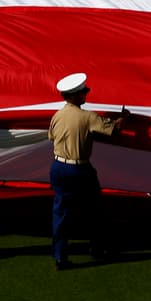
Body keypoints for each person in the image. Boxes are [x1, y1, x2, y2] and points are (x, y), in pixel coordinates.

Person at [47, 72, 128, 269]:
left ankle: (60, 255)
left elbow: (51, 137)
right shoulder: (87, 117)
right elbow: (113, 130)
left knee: (61, 213)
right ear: (75, 95)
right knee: (94, 209)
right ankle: (97, 247)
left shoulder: (57, 116)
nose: (86, 94)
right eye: (84, 91)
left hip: (58, 167)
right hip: (79, 169)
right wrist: (123, 118)